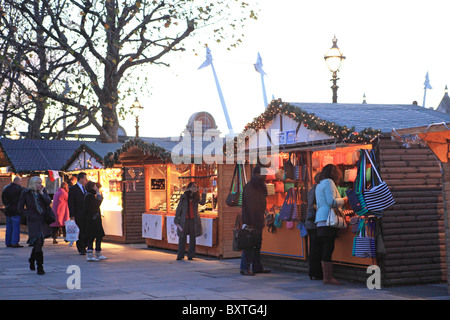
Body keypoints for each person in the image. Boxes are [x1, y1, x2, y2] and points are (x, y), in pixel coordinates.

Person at [315, 164, 348, 285]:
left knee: (326, 248)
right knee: (329, 248)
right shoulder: (329, 182)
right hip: (328, 219)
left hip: (320, 219)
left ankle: (327, 277)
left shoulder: (319, 184)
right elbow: (332, 202)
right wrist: (344, 199)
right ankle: (328, 278)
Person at [18, 176, 54, 275]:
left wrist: (42, 193)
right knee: (37, 242)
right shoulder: (26, 193)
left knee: (40, 243)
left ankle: (32, 259)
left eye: (41, 182)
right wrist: (28, 214)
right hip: (33, 221)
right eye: (38, 183)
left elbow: (48, 202)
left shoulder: (43, 191)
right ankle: (40, 267)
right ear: (33, 183)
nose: (40, 184)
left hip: (43, 220)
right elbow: (20, 208)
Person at [240, 166, 271, 276]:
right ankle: (245, 267)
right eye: (264, 174)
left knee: (257, 244)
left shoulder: (260, 186)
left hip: (258, 218)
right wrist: (250, 222)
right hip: (251, 220)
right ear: (257, 174)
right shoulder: (250, 187)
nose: (265, 177)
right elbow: (249, 206)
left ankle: (257, 266)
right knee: (249, 244)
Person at [174, 182, 206, 261]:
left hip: (193, 220)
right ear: (189, 187)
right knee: (182, 238)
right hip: (184, 220)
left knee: (192, 238)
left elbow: (202, 203)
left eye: (196, 186)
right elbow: (179, 208)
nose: (195, 188)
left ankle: (190, 255)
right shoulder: (184, 196)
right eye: (193, 186)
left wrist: (204, 194)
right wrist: (176, 219)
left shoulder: (196, 196)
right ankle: (180, 255)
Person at [305, 172, 323, 280]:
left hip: (310, 221)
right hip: (314, 221)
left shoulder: (311, 189)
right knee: (316, 248)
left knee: (313, 248)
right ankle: (316, 272)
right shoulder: (318, 190)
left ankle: (313, 272)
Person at [84, 181, 106, 262]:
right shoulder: (90, 196)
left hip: (94, 219)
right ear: (92, 187)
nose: (97, 188)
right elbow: (96, 204)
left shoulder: (90, 195)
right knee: (92, 236)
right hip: (92, 220)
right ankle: (90, 254)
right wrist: (99, 194)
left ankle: (98, 252)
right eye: (95, 186)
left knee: (98, 236)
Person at [68, 172, 88, 255]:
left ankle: (85, 245)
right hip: (78, 213)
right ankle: (81, 248)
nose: (86, 180)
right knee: (80, 231)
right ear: (81, 179)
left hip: (86, 213)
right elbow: (71, 202)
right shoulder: (73, 189)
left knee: (86, 230)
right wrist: (72, 215)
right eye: (85, 178)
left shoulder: (86, 188)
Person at [2, 176, 24, 248]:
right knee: (16, 227)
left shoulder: (6, 188)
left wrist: (6, 205)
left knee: (9, 227)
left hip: (8, 210)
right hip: (16, 210)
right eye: (20, 181)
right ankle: (15, 242)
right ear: (17, 181)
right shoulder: (19, 189)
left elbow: (3, 199)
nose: (21, 183)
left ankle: (8, 242)